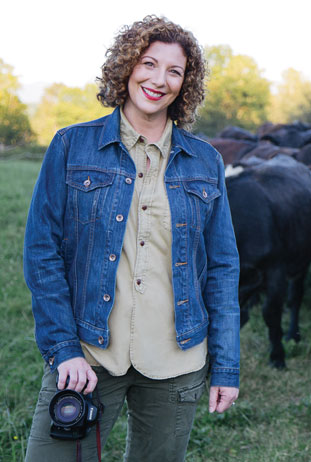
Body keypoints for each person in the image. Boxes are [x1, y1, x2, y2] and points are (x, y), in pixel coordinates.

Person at [23, 15, 240, 461]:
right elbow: (42, 253)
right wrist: (65, 349)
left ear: (186, 83)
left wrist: (226, 366)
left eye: (175, 71)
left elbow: (222, 268)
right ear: (127, 66)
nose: (159, 80)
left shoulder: (206, 161)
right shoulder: (71, 146)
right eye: (149, 64)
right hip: (88, 356)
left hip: (177, 361)